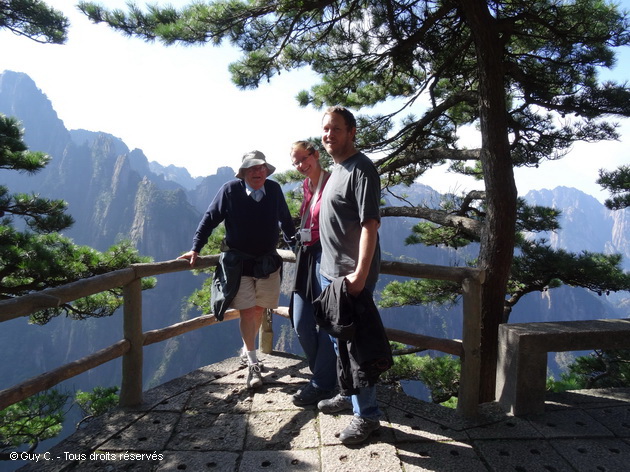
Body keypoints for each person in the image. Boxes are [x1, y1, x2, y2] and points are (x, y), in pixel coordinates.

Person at [178, 151, 295, 390]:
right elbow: (210, 218)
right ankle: (253, 362)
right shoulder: (230, 191)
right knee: (247, 310)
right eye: (252, 169)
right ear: (242, 173)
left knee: (261, 307)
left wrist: (296, 246)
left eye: (261, 167)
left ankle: (245, 348)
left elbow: (285, 220)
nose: (257, 172)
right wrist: (195, 248)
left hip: (267, 262)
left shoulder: (273, 190)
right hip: (239, 263)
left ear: (266, 170)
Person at [316, 106, 385, 445]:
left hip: (349, 278)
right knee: (338, 342)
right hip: (329, 274)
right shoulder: (337, 168)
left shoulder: (362, 169)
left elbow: (369, 225)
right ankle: (349, 396)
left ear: (352, 131)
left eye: (336, 129)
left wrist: (359, 275)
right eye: (325, 129)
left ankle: (367, 417)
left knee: (357, 350)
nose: (329, 135)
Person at [289, 141, 338, 406]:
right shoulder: (306, 186)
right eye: (295, 162)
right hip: (306, 257)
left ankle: (322, 382)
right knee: (301, 322)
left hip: (326, 256)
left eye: (303, 159)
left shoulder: (332, 183)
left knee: (327, 322)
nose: (299, 166)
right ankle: (325, 374)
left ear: (316, 155)